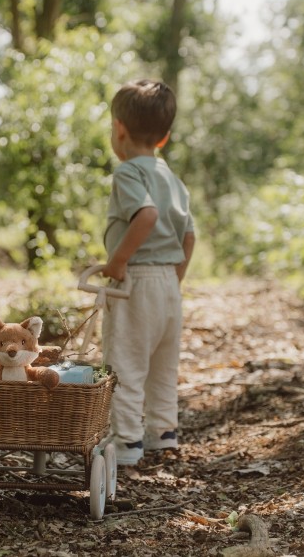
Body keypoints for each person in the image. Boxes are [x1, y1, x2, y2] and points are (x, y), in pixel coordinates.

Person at [101, 79, 195, 465]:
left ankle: (125, 443)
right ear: (165, 137)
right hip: (169, 283)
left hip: (135, 281)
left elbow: (146, 215)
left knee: (124, 361)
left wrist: (117, 262)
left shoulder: (127, 174)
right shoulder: (172, 179)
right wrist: (176, 278)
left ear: (119, 129)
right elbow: (189, 236)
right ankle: (162, 433)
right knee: (162, 363)